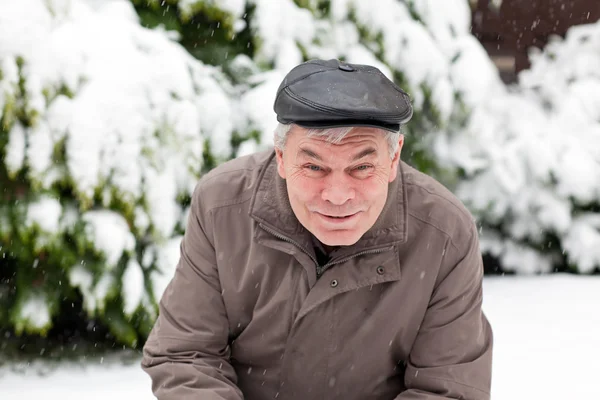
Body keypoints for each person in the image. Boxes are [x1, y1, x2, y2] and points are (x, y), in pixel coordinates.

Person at [141, 58, 493, 400]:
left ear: (394, 157)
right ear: (281, 157)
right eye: (313, 166)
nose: (337, 196)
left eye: (361, 167)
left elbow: (447, 388)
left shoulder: (444, 232)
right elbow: (186, 356)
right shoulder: (222, 205)